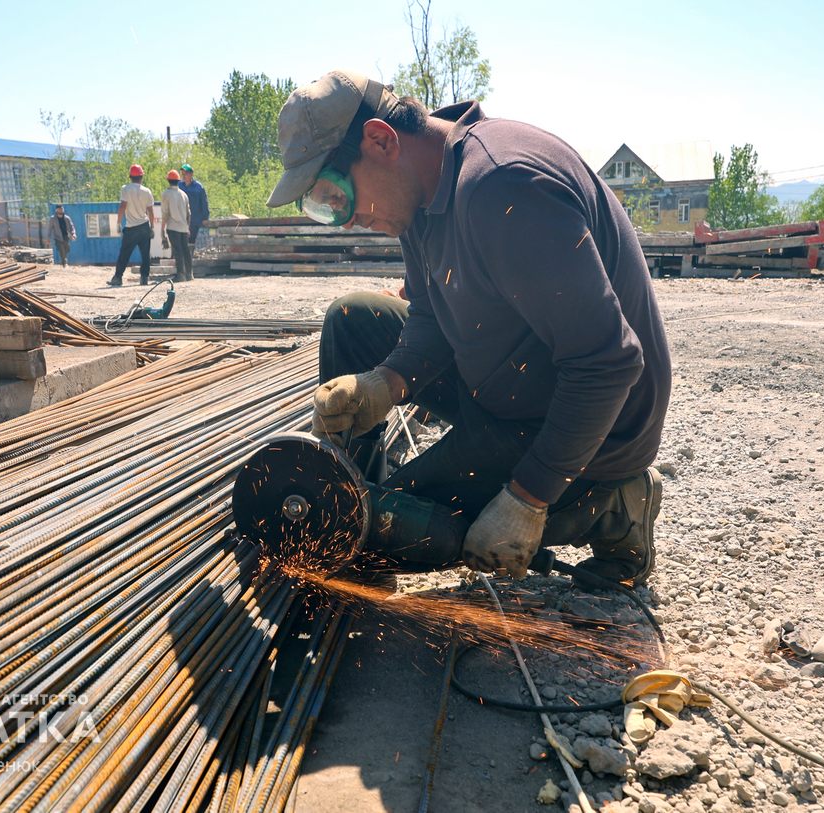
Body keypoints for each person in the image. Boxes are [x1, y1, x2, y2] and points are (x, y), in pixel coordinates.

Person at [267, 70, 671, 586]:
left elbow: (608, 364)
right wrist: (385, 382)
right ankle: (357, 489)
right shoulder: (421, 194)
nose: (343, 220)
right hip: (507, 386)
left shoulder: (505, 187)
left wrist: (527, 498)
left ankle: (614, 502)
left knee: (385, 530)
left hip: (587, 424)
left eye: (336, 196)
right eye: (323, 209)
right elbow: (433, 315)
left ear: (381, 140)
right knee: (353, 318)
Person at [109, 165, 156, 286]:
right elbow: (150, 211)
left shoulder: (126, 189)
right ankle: (144, 278)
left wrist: (118, 223)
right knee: (145, 254)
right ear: (142, 177)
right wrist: (152, 227)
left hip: (131, 229)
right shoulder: (147, 191)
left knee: (124, 254)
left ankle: (118, 278)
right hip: (144, 226)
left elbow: (122, 206)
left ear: (130, 177)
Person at [161, 169, 192, 282]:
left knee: (177, 250)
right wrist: (187, 227)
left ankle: (180, 275)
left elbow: (165, 213)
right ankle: (189, 274)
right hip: (184, 227)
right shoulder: (184, 194)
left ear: (168, 180)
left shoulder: (166, 194)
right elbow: (189, 213)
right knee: (185, 250)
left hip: (173, 227)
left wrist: (162, 230)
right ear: (178, 181)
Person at [178, 163, 208, 261]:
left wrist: (205, 218)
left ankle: (191, 262)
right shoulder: (179, 186)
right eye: (182, 173)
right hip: (182, 219)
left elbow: (204, 203)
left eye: (186, 173)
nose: (184, 175)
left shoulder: (198, 187)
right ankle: (183, 262)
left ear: (191, 174)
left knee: (192, 241)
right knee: (182, 242)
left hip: (195, 220)